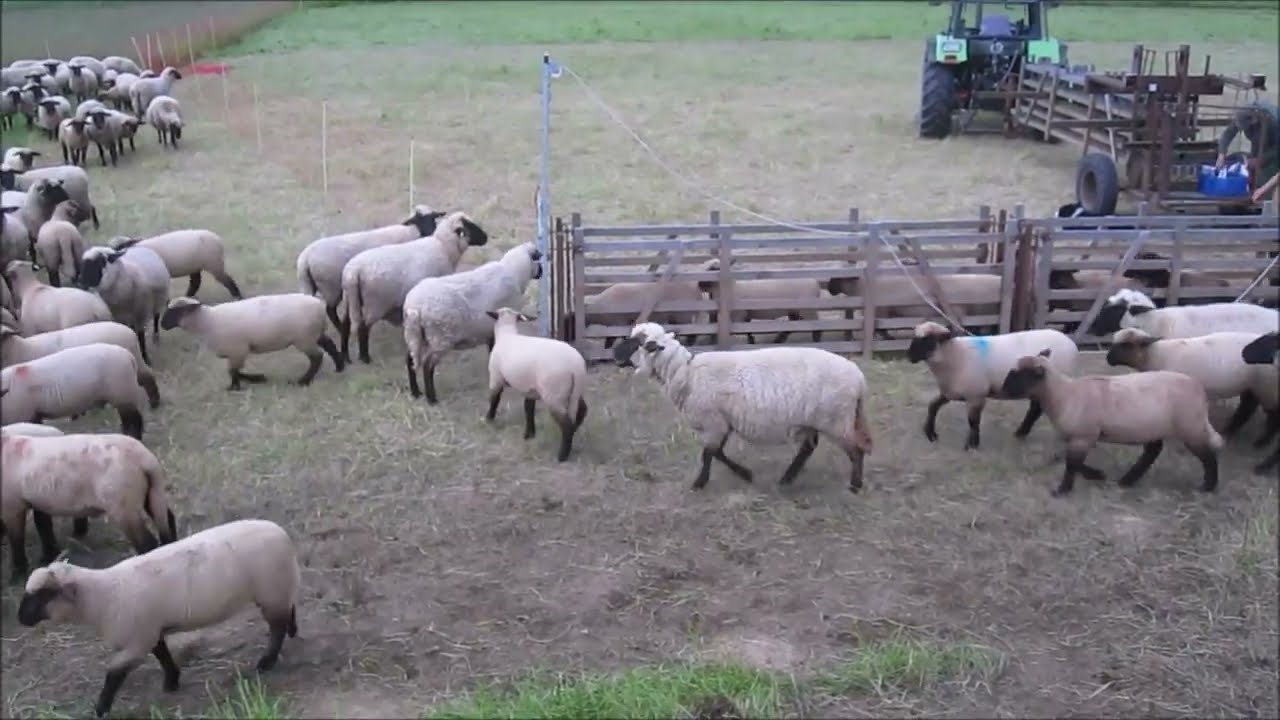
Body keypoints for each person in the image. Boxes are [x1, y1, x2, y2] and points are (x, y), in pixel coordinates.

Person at [1215, 101, 1280, 199]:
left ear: (1253, 121)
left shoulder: (1273, 123)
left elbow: (1276, 149)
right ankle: (1251, 190)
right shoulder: (1242, 116)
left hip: (1274, 150)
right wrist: (1221, 154)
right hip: (1258, 143)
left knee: (1266, 174)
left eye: (1246, 128)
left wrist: (1261, 160)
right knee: (1251, 167)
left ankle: (1265, 197)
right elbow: (1228, 134)